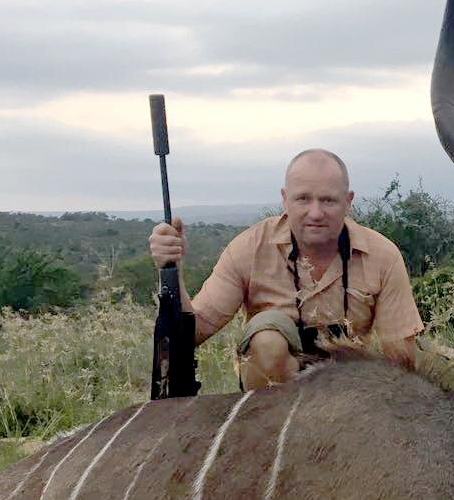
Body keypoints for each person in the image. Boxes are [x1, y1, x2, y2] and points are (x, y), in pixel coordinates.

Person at [148, 149, 423, 388]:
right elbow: (193, 333)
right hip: (272, 407)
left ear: (348, 201)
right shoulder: (250, 247)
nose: (315, 213)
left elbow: (401, 358)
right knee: (268, 340)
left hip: (349, 397)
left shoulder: (383, 255)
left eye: (328, 200)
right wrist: (171, 268)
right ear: (285, 199)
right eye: (303, 199)